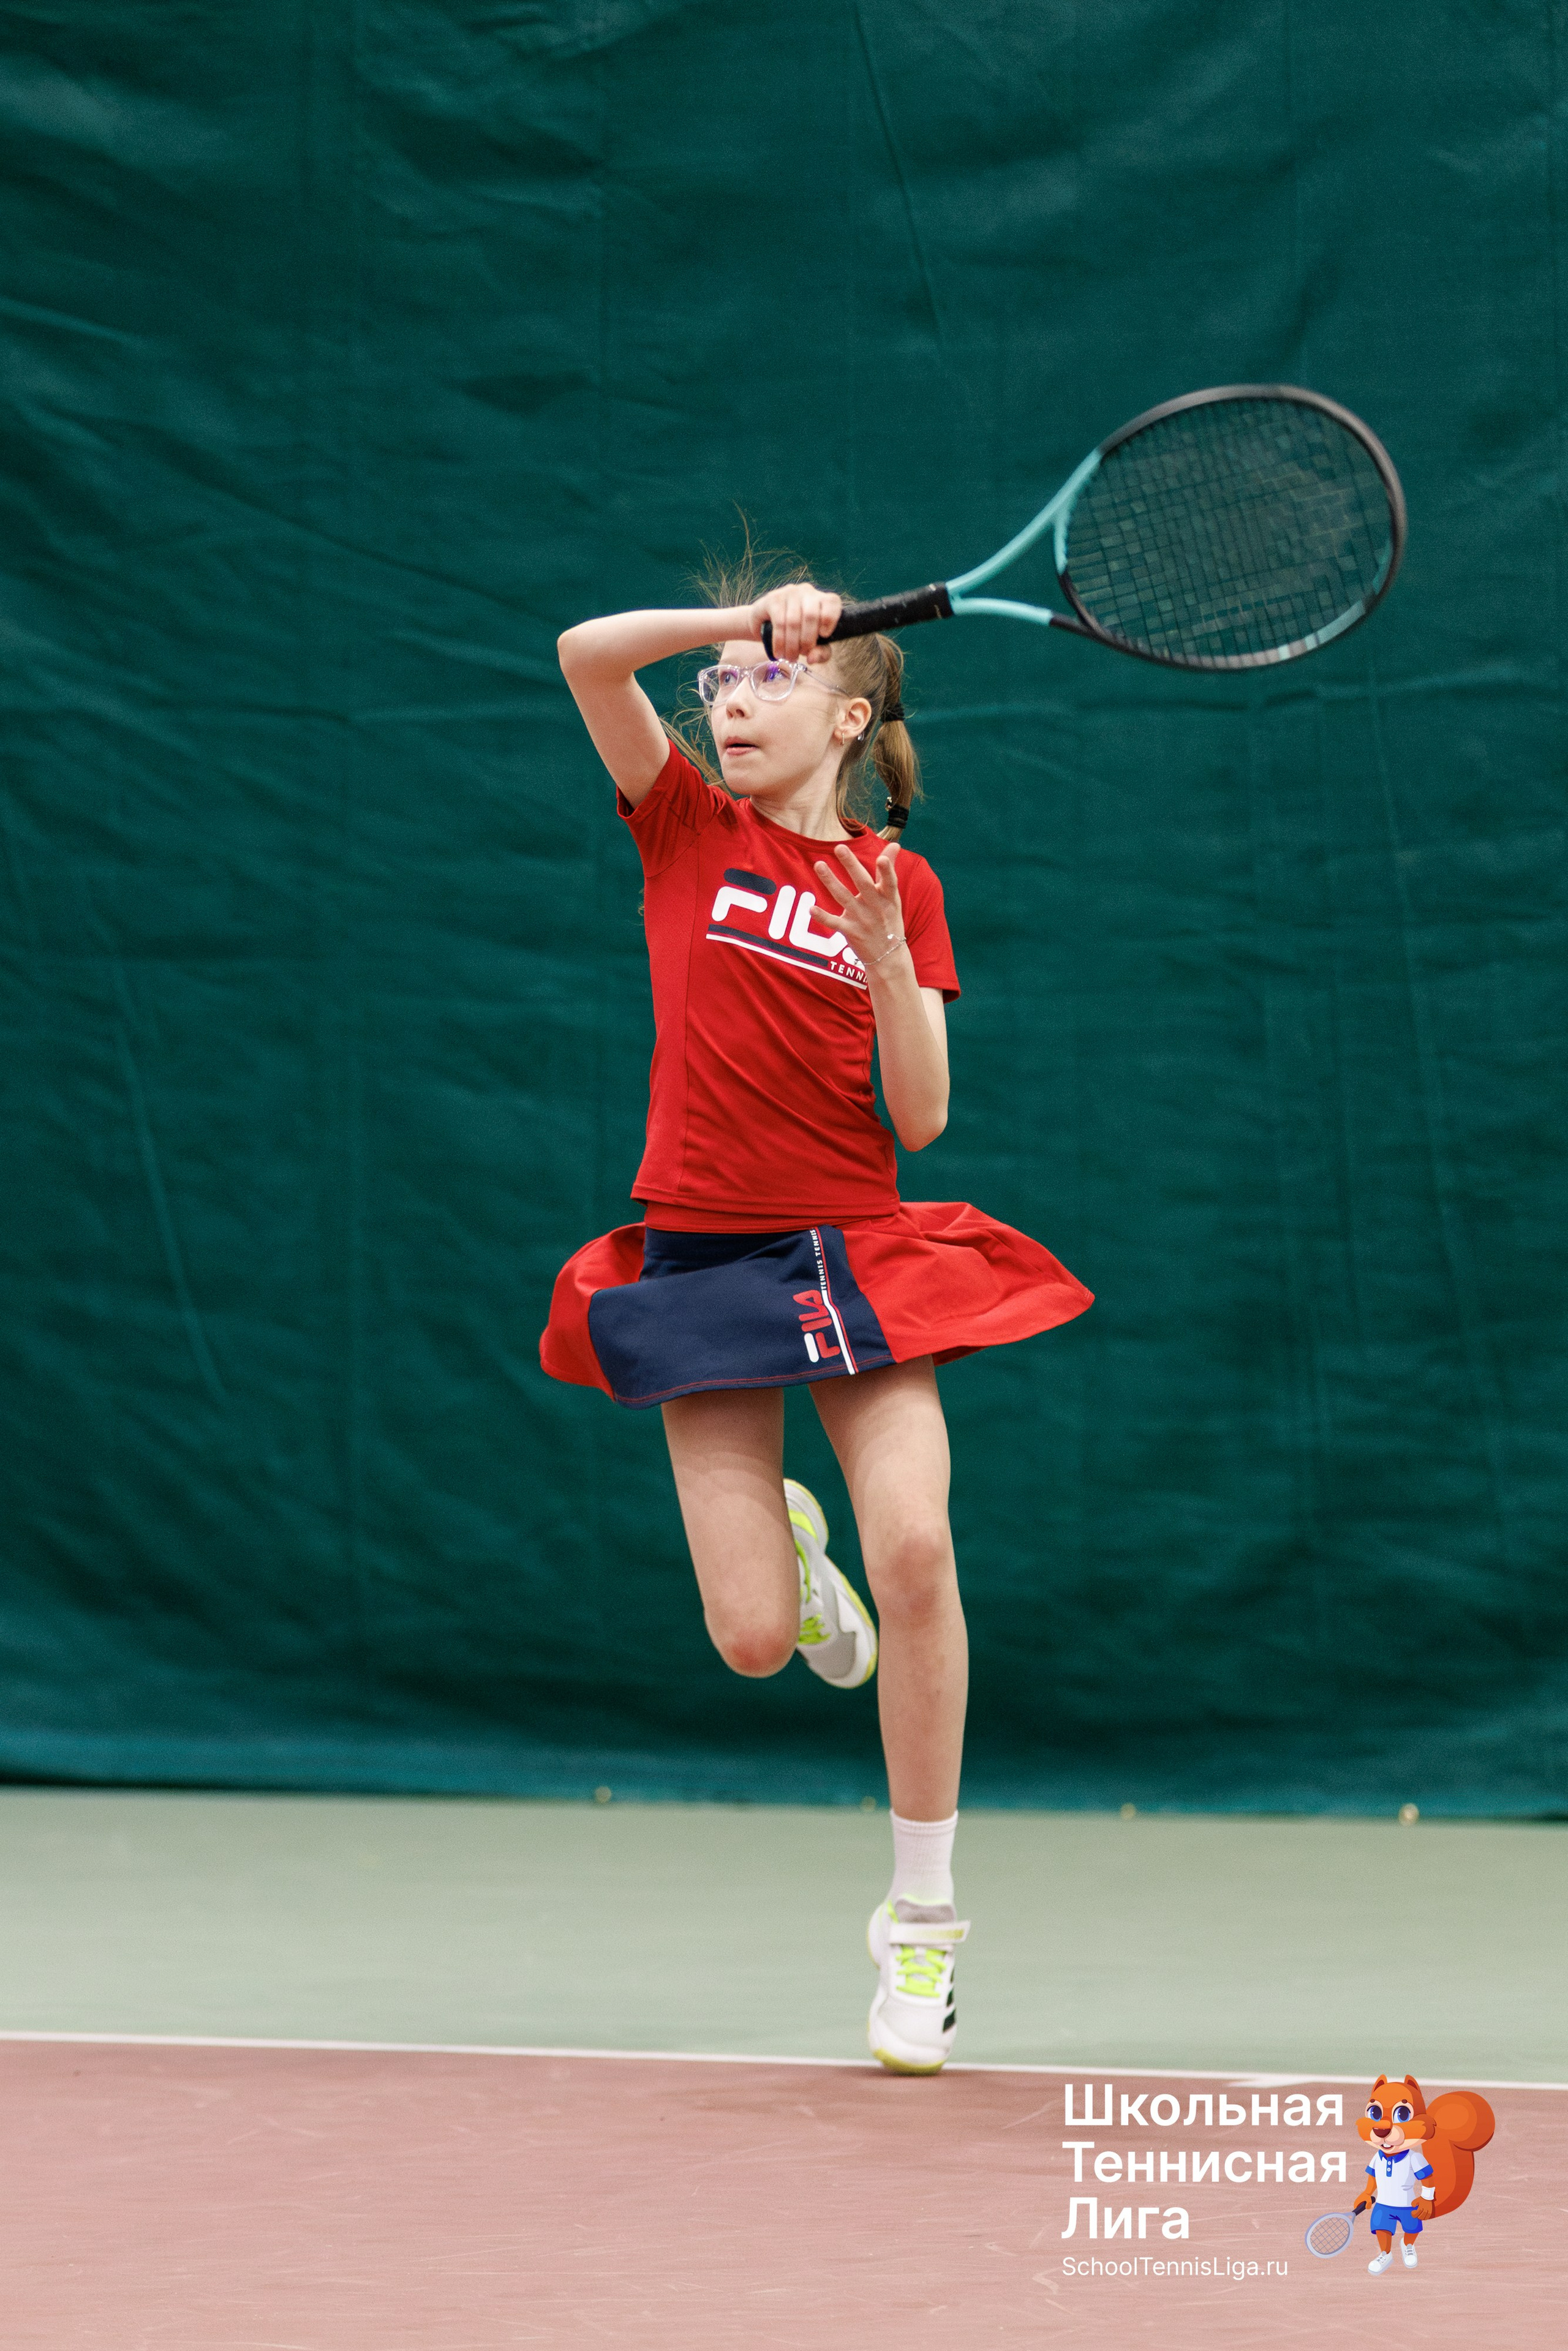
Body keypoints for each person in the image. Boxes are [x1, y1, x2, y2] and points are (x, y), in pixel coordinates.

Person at [543, 565, 1093, 2073]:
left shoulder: (893, 881)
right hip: (701, 1258)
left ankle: (919, 1926)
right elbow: (586, 649)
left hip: (852, 1246)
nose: (728, 701)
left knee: (915, 1545)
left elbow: (916, 1114)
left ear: (849, 714)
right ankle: (790, 1561)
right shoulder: (680, 826)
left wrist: (886, 960)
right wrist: (733, 621)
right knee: (744, 1641)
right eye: (718, 687)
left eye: (766, 681)